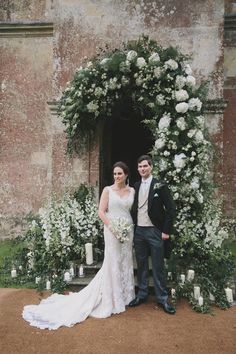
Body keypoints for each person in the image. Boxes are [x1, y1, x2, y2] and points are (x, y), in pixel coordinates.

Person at [22, 161, 135, 329]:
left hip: (127, 230)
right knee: (112, 261)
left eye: (120, 173)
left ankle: (126, 295)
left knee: (125, 261)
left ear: (126, 174)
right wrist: (113, 228)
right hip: (112, 230)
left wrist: (124, 229)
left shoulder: (132, 190)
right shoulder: (108, 190)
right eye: (115, 173)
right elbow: (101, 211)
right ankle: (112, 298)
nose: (117, 176)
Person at [129, 155, 176, 314]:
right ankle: (142, 294)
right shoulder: (135, 186)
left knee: (158, 266)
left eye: (145, 166)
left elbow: (171, 209)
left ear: (151, 167)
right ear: (138, 169)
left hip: (155, 231)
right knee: (141, 265)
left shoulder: (160, 185)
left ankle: (162, 298)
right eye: (140, 167)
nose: (142, 169)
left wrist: (166, 231)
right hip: (139, 232)